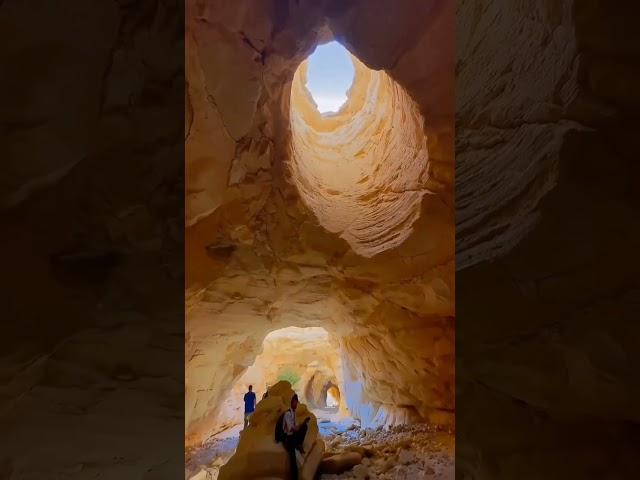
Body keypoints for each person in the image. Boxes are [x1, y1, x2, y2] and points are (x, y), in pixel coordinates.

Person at [282, 394, 310, 479]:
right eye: (295, 402)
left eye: (296, 402)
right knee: (293, 458)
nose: (296, 404)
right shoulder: (287, 414)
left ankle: (299, 444)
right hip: (288, 438)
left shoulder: (293, 413)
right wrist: (299, 427)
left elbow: (296, 426)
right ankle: (294, 477)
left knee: (305, 426)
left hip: (293, 435)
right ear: (291, 402)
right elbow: (291, 429)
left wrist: (302, 424)